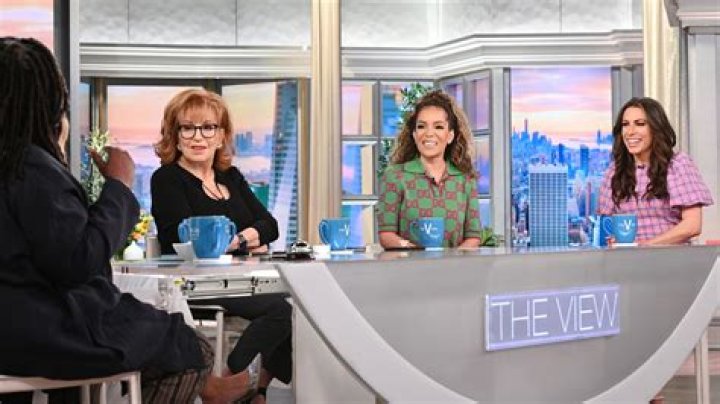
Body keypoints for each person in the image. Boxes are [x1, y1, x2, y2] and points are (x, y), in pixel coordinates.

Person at [0, 37, 254, 404]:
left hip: (19, 329)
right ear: (49, 104)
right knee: (188, 347)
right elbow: (79, 261)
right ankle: (213, 390)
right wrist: (119, 185)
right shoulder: (34, 169)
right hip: (44, 332)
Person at [151, 88, 291, 404]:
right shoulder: (167, 179)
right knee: (281, 310)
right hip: (194, 281)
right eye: (188, 128)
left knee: (294, 306)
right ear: (175, 135)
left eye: (208, 127)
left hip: (238, 279)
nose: (198, 137)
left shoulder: (231, 177)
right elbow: (180, 238)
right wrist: (247, 241)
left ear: (221, 135)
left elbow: (270, 226)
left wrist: (236, 240)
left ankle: (257, 392)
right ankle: (227, 383)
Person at [597, 97, 713, 245]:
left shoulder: (677, 165)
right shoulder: (614, 171)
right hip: (627, 257)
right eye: (625, 124)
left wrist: (646, 245)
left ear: (655, 128)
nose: (630, 132)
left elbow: (692, 226)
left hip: (670, 255)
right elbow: (605, 224)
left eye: (640, 124)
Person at [376, 89, 482, 248]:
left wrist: (455, 258)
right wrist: (415, 252)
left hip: (455, 264)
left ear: (450, 136)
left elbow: (473, 236)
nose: (429, 133)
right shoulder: (395, 176)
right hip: (409, 262)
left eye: (438, 127)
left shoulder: (465, 180)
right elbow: (386, 234)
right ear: (414, 134)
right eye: (421, 126)